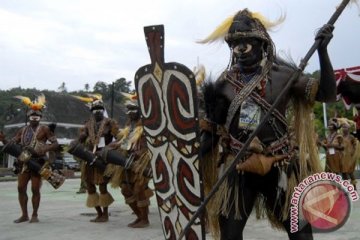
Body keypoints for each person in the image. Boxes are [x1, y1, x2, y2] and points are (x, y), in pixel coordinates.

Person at [198, 9, 336, 240]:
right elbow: (211, 131)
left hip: (280, 168)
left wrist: (323, 51)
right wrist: (193, 160)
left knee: (302, 235)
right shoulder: (223, 84)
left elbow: (327, 94)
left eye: (246, 44)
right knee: (229, 236)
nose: (240, 51)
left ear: (262, 44)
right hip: (238, 170)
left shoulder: (284, 76)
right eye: (235, 45)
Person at [0, 94, 59, 223]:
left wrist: (42, 149)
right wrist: (4, 139)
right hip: (23, 163)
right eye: (32, 116)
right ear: (28, 117)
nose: (34, 118)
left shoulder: (45, 129)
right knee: (21, 188)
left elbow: (55, 144)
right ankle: (24, 214)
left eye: (37, 116)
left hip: (37, 163)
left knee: (35, 189)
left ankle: (34, 215)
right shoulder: (22, 130)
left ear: (40, 117)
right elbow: (12, 143)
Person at [110, 95, 153, 228]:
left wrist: (141, 152)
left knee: (139, 189)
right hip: (127, 160)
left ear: (140, 110)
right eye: (128, 110)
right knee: (125, 189)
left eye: (133, 109)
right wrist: (117, 145)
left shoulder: (149, 124)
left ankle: (145, 219)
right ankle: (139, 217)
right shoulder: (129, 126)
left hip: (143, 161)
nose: (130, 112)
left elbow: (153, 143)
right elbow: (126, 142)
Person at [76, 95, 119, 222]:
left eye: (100, 108)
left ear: (103, 109)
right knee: (90, 187)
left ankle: (105, 215)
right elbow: (82, 137)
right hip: (89, 157)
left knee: (102, 186)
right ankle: (99, 213)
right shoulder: (87, 124)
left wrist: (111, 148)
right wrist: (78, 141)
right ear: (92, 111)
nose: (98, 111)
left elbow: (119, 137)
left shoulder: (110, 123)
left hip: (103, 157)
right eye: (95, 109)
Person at [339, 121, 357, 189]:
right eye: (343, 127)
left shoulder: (351, 137)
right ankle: (347, 187)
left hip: (349, 157)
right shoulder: (340, 137)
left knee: (350, 172)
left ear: (348, 128)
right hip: (342, 157)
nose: (344, 128)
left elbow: (355, 145)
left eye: (345, 127)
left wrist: (353, 152)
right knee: (344, 173)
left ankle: (354, 186)